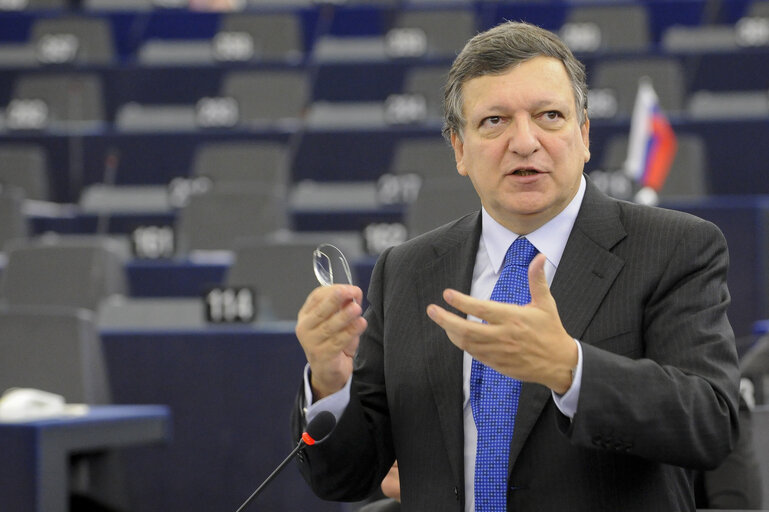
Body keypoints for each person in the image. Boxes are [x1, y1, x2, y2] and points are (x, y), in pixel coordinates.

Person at [291, 21, 740, 511]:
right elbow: (344, 480)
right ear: (459, 149)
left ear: (584, 134)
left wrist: (572, 370)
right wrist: (331, 384)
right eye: (494, 121)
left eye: (549, 116)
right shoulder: (407, 270)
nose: (525, 142)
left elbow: (711, 424)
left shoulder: (675, 247)